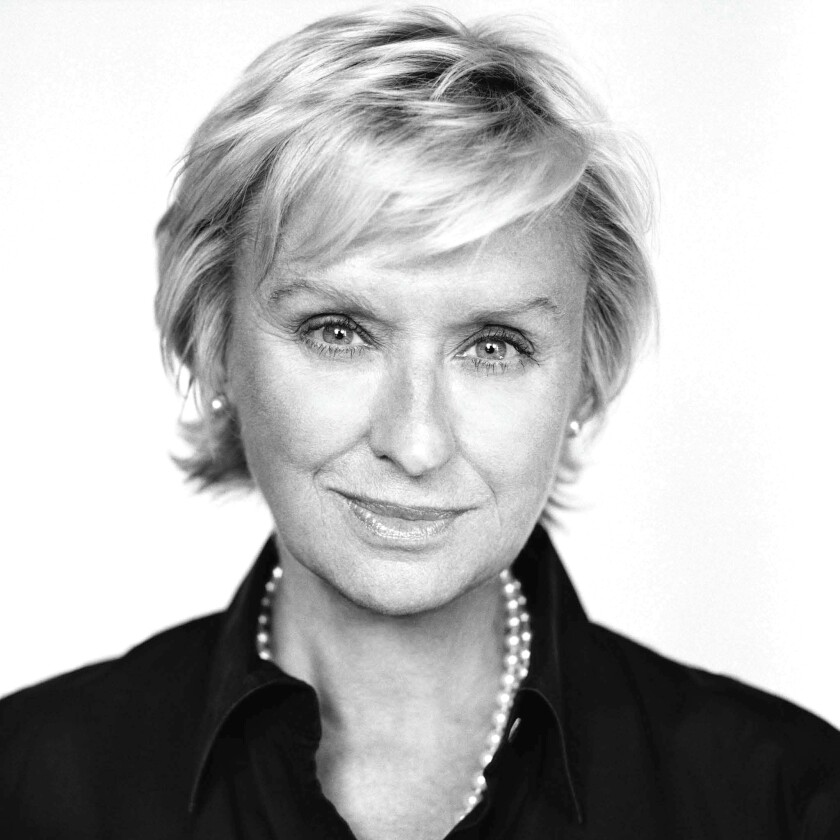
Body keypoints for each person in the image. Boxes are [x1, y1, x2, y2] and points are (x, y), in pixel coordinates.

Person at [1, 6, 838, 839]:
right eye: (339, 332)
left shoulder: (784, 800)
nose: (415, 442)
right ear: (214, 344)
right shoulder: (29, 788)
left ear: (584, 382)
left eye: (494, 346)